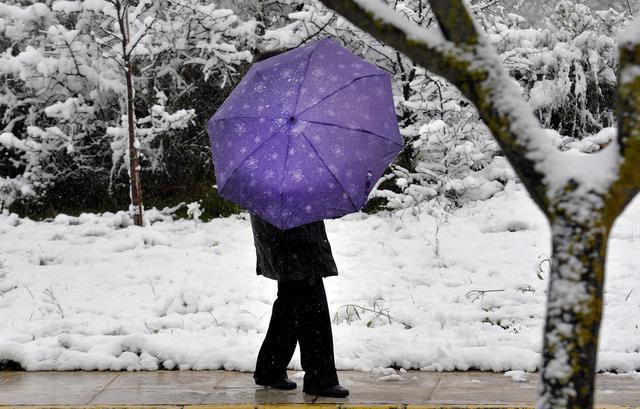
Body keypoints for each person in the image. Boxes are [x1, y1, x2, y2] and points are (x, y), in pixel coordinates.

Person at [250, 213, 348, 398]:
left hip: (284, 238)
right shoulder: (290, 188)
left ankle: (270, 369)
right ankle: (319, 379)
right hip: (294, 241)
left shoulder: (272, 190)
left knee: (289, 305)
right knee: (313, 307)